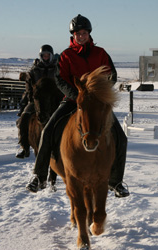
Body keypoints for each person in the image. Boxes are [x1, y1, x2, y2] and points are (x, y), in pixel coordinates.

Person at [26, 14, 130, 198]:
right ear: (73, 36)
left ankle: (116, 182)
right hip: (73, 100)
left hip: (97, 104)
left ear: (89, 34)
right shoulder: (66, 55)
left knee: (121, 137)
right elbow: (60, 80)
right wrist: (78, 95)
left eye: (84, 33)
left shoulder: (101, 53)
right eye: (77, 34)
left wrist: (99, 93)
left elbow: (111, 75)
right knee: (48, 130)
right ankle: (40, 176)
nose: (81, 36)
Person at [15, 45, 57, 159]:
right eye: (44, 55)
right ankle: (24, 146)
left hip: (53, 100)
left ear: (51, 55)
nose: (46, 57)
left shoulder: (57, 69)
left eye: (48, 55)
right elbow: (28, 85)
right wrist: (32, 96)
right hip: (37, 100)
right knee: (23, 119)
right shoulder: (34, 70)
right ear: (41, 56)